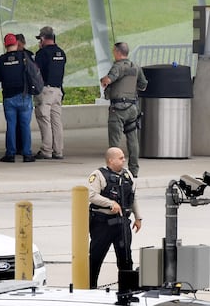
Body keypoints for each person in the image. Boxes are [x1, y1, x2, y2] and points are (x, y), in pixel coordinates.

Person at [87, 147, 142, 289]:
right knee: (95, 258)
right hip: (102, 223)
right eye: (121, 158)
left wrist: (138, 217)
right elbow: (92, 195)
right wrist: (110, 203)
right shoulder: (98, 175)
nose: (124, 160)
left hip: (122, 223)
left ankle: (126, 290)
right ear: (111, 160)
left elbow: (133, 197)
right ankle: (90, 288)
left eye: (124, 157)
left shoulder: (127, 175)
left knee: (126, 259)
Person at [100, 42, 148, 178]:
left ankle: (114, 170)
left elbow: (108, 80)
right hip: (132, 108)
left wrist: (103, 79)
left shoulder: (117, 67)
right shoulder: (136, 67)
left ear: (117, 52)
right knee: (133, 140)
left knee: (115, 141)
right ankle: (134, 170)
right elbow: (143, 85)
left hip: (118, 109)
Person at [0, 33, 35, 163]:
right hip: (24, 96)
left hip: (8, 97)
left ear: (5, 45)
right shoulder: (25, 57)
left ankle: (10, 154)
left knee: (11, 125)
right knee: (25, 126)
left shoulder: (0, 60)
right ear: (17, 44)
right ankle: (27, 154)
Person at [33, 26, 66, 160]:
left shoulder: (42, 53)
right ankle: (58, 151)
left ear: (42, 38)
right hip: (58, 90)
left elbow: (36, 72)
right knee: (56, 121)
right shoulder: (61, 52)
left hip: (45, 90)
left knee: (44, 119)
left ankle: (46, 150)